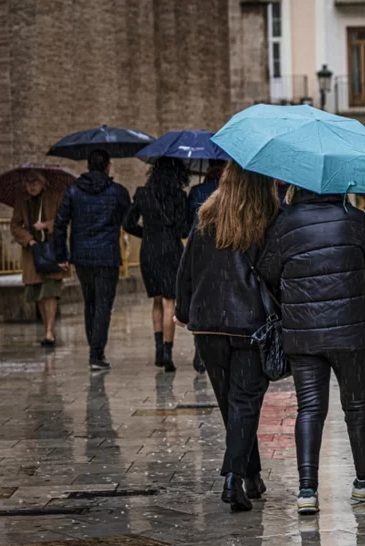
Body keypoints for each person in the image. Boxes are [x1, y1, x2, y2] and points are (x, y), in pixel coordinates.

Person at [258, 185, 365, 515]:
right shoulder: (355, 219)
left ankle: (307, 490)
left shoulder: (283, 223)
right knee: (357, 407)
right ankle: (363, 481)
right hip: (351, 330)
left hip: (302, 331)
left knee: (310, 409)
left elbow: (268, 271)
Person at [176, 161, 277, 512]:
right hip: (249, 323)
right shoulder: (266, 217)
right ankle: (233, 478)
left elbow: (186, 266)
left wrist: (183, 310)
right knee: (245, 402)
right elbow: (273, 272)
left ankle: (252, 474)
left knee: (231, 404)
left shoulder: (206, 215)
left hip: (208, 324)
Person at [53, 149, 132, 371]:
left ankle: (94, 350)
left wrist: (61, 255)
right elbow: (129, 219)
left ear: (88, 166)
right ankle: (96, 354)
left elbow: (60, 223)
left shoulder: (73, 191)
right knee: (104, 305)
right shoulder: (118, 192)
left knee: (90, 302)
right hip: (107, 256)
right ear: (108, 166)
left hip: (82, 257)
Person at [124, 157, 191, 372]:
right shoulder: (180, 196)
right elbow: (184, 229)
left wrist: (148, 234)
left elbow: (127, 223)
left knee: (156, 300)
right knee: (170, 301)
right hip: (171, 249)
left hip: (150, 250)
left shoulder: (142, 194)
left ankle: (158, 350)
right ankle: (168, 351)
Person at [10, 171, 66, 347]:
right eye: (27, 182)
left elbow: (62, 219)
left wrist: (46, 225)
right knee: (39, 293)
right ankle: (46, 328)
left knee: (50, 291)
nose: (31, 186)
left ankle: (49, 332)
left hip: (52, 250)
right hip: (33, 253)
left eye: (35, 182)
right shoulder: (21, 201)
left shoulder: (55, 197)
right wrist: (29, 239)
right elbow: (15, 225)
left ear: (43, 183)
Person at [185, 160, 227, 374]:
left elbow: (187, 227)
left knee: (202, 300)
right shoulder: (231, 193)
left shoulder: (197, 191)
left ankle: (200, 350)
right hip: (227, 256)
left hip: (202, 257)